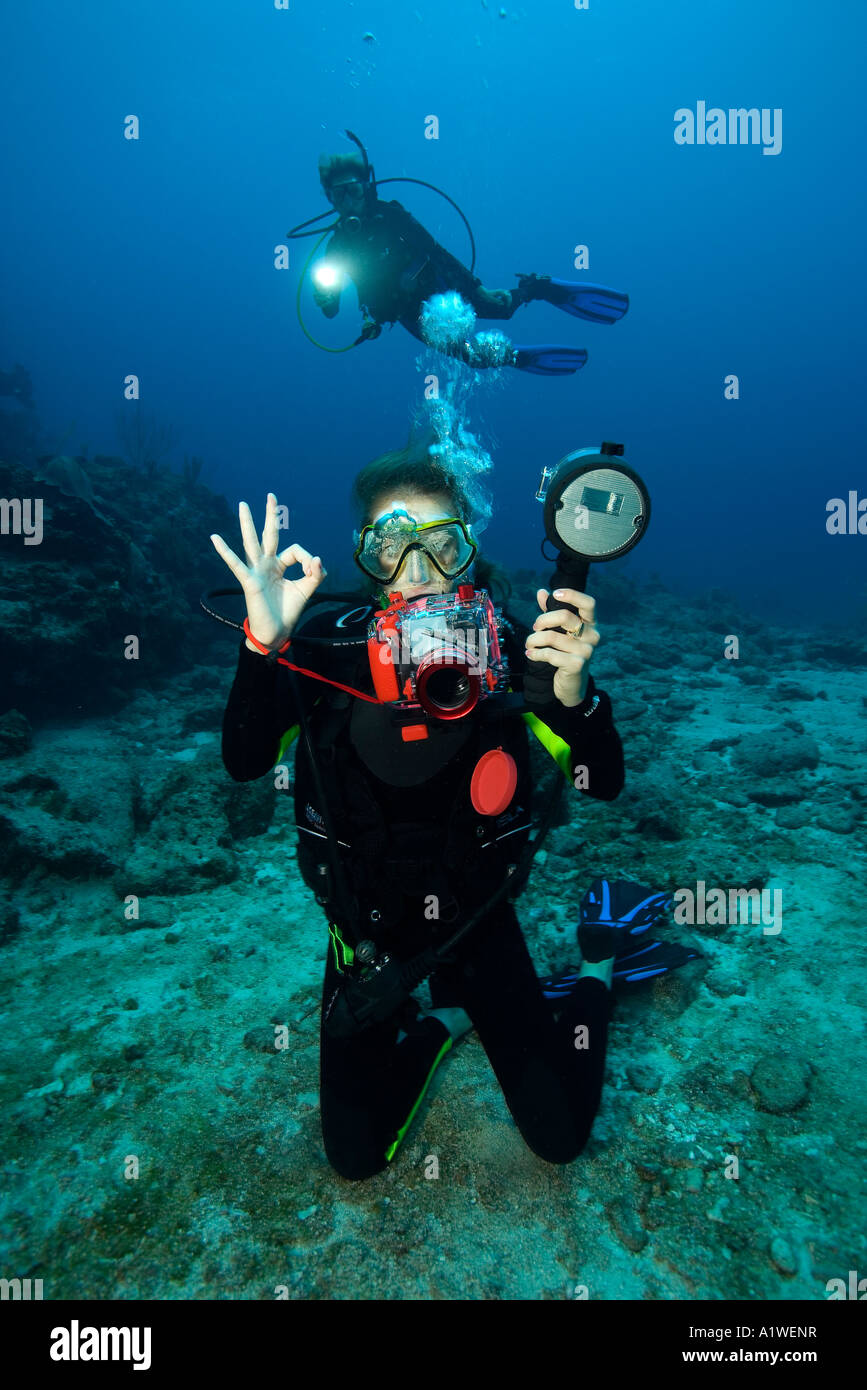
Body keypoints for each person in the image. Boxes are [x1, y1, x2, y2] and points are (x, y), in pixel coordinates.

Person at [213, 440, 627, 1180]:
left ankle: (594, 974)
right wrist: (262, 643)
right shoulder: (322, 652)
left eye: (440, 546)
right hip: (363, 939)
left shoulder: (516, 653)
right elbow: (244, 761)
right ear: (362, 557)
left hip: (479, 925)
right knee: (353, 1162)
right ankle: (440, 1019)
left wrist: (575, 696)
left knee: (558, 1138)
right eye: (391, 546)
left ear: (469, 552)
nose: (416, 571)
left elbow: (601, 784)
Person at [310, 150, 629, 377]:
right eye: (338, 196)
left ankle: (537, 289)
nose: (348, 202)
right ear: (330, 200)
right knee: (472, 359)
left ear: (366, 188)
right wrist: (325, 298)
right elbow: (332, 308)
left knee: (500, 309)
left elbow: (437, 251)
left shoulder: (392, 216)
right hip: (406, 313)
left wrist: (477, 288)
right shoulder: (335, 249)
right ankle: (512, 356)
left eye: (352, 190)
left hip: (439, 285)